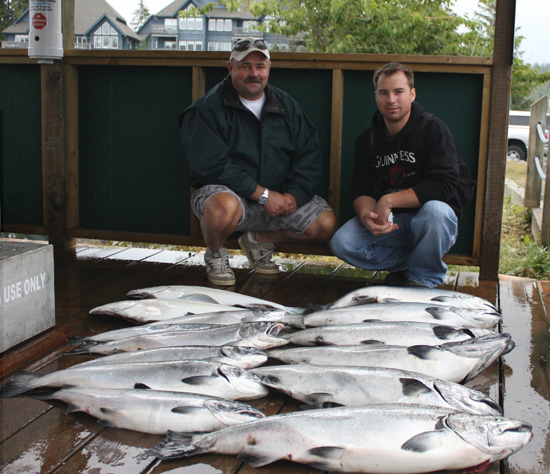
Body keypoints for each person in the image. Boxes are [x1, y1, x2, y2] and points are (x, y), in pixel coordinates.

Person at [179, 38, 336, 286]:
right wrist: (262, 195)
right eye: (245, 66)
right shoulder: (207, 109)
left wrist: (293, 196)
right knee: (221, 208)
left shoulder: (288, 107)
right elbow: (212, 166)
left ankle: (259, 239)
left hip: (278, 201)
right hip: (233, 199)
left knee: (324, 225)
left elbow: (309, 155)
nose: (254, 73)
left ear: (269, 69)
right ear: (230, 68)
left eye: (260, 66)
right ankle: (216, 253)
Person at [330, 62, 462, 288]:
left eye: (398, 91)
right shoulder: (367, 139)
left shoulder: (433, 129)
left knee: (436, 212)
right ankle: (404, 266)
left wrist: (389, 200)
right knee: (342, 243)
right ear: (376, 96)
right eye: (384, 93)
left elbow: (444, 186)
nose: (391, 100)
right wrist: (367, 216)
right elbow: (360, 188)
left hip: (430, 224)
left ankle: (423, 279)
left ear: (412, 94)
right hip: (392, 225)